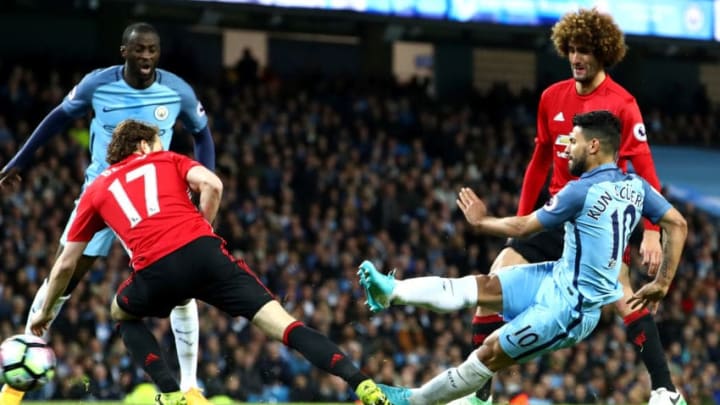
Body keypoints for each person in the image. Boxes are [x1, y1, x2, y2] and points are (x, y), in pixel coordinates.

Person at [29, 119, 390, 405]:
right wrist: (203, 225)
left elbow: (64, 265)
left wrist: (46, 311)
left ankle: (170, 393)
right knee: (286, 326)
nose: (162, 148)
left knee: (121, 314)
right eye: (157, 142)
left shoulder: (95, 191)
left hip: (155, 271)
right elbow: (213, 185)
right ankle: (364, 385)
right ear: (143, 146)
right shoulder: (168, 159)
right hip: (205, 253)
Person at [358, 110, 688, 405]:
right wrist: (662, 283)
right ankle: (392, 291)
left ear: (593, 146)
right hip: (556, 276)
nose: (566, 148)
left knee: (489, 352)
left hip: (569, 310)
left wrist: (482, 222)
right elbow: (677, 224)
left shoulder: (579, 190)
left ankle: (414, 401)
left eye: (573, 141)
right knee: (483, 286)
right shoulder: (637, 186)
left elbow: (524, 226)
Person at [458, 8, 683, 405]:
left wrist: (651, 230)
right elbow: (539, 160)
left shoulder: (623, 103)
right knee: (492, 284)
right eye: (573, 49)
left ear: (604, 53)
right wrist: (522, 218)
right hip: (558, 211)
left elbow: (644, 167)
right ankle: (481, 395)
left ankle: (665, 390)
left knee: (622, 293)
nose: (577, 57)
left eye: (586, 50)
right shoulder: (551, 97)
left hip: (601, 216)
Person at [0, 23, 214, 404]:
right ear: (124, 52)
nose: (146, 57)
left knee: (183, 289)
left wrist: (201, 189)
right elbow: (57, 118)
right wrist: (20, 160)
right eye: (139, 50)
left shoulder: (178, 91)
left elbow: (202, 134)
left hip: (153, 202)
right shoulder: (96, 85)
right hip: (102, 195)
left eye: (152, 50)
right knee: (63, 275)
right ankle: (17, 382)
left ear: (158, 53)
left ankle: (191, 387)